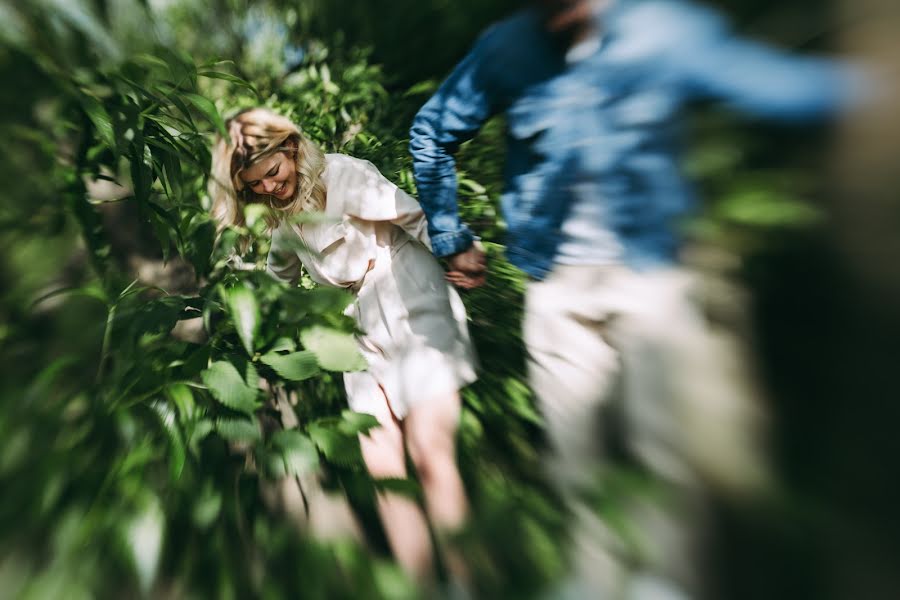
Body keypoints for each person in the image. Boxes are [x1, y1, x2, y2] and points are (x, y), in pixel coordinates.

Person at [409, 0, 864, 596]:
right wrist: (451, 237)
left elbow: (775, 85)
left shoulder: (662, 30)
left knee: (662, 452)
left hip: (649, 279)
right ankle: (595, 581)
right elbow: (432, 132)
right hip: (557, 288)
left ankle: (666, 582)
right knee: (575, 454)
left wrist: (870, 91)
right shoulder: (507, 49)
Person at [208, 108, 477, 585]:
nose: (270, 188)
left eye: (273, 173)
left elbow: (411, 215)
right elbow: (278, 282)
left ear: (289, 149)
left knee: (430, 451)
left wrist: (457, 251)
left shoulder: (342, 175)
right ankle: (423, 587)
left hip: (411, 293)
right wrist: (235, 310)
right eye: (256, 186)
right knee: (382, 467)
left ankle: (464, 582)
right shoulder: (287, 222)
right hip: (360, 325)